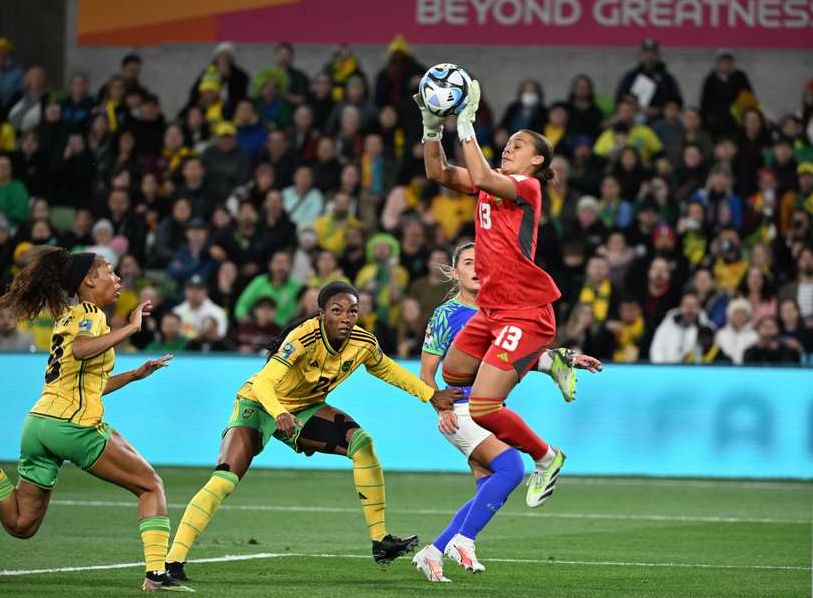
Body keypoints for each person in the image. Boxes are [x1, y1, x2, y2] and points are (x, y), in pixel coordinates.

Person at [163, 281, 463, 582]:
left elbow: (386, 369)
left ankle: (380, 541)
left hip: (304, 409)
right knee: (224, 479)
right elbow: (264, 383)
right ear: (321, 314)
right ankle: (173, 561)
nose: (346, 317)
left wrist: (429, 394)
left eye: (353, 311)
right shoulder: (302, 338)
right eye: (337, 310)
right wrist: (279, 412)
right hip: (258, 405)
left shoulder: (363, 342)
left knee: (362, 444)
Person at [0, 247, 186, 591]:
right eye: (109, 270)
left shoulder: (67, 316)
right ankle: (156, 575)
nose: (118, 278)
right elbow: (82, 349)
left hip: (39, 425)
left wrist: (134, 375)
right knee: (150, 485)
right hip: (73, 426)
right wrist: (131, 328)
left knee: (22, 524)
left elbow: (85, 381)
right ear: (88, 281)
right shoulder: (91, 313)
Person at [418, 78, 576, 507]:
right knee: (453, 374)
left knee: (486, 407)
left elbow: (484, 175)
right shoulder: (490, 184)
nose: (509, 146)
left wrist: (465, 124)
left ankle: (547, 457)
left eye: (519, 145)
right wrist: (432, 127)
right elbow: (437, 172)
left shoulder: (527, 188)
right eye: (508, 141)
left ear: (537, 160)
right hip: (492, 310)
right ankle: (549, 362)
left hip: (524, 312)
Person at [413, 242, 600, 581]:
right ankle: (462, 541)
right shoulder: (445, 315)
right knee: (512, 467)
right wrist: (438, 408)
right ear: (455, 273)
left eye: (481, 263)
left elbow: (519, 356)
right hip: (460, 408)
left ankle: (434, 551)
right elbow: (426, 372)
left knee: (488, 490)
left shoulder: (499, 313)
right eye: (468, 263)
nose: (476, 269)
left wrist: (568, 358)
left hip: (487, 408)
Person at [172, 273, 228, 340]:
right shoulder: (177, 311)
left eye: (199, 289)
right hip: (182, 349)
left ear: (206, 292)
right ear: (185, 291)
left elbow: (221, 335)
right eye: (191, 289)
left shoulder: (217, 312)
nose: (194, 292)